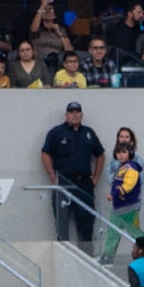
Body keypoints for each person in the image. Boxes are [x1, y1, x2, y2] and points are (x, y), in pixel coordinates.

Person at [41, 100, 103, 249]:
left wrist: (95, 178)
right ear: (66, 115)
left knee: (86, 224)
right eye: (71, 112)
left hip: (84, 185)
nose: (75, 115)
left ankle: (87, 261)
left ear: (81, 114)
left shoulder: (89, 133)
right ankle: (65, 261)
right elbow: (45, 154)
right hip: (63, 183)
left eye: (77, 112)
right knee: (62, 224)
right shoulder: (56, 132)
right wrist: (52, 177)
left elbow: (100, 155)